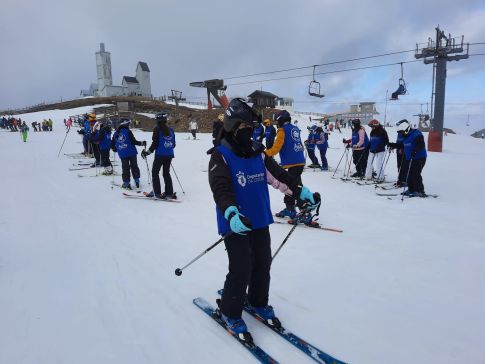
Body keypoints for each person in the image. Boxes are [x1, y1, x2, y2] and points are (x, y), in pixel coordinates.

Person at [208, 98, 319, 335]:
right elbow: (220, 189)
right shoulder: (221, 155)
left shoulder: (257, 153)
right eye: (245, 128)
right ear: (232, 126)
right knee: (241, 267)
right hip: (235, 222)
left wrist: (300, 191)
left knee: (262, 263)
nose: (249, 133)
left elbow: (279, 176)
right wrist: (231, 212)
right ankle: (229, 310)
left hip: (259, 219)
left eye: (252, 129)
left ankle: (257, 301)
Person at [265, 110, 306, 218]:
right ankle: (303, 205)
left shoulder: (282, 130)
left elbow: (276, 148)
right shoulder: (295, 128)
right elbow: (300, 145)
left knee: (289, 185)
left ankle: (292, 208)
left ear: (281, 120)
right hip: (300, 161)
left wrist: (264, 153)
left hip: (292, 162)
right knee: (296, 184)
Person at [141, 112, 177, 199]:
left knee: (155, 173)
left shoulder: (157, 129)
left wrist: (147, 152)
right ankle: (169, 192)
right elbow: (173, 144)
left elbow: (155, 144)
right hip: (169, 155)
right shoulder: (171, 130)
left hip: (160, 155)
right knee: (166, 173)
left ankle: (157, 192)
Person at [388, 120, 427, 196]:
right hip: (410, 157)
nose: (401, 134)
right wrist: (393, 145)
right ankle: (411, 189)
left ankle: (420, 191)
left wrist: (415, 151)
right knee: (409, 174)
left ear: (407, 129)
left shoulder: (417, 134)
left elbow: (421, 144)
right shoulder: (405, 136)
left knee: (415, 174)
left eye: (402, 132)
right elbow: (402, 146)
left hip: (419, 157)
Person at [111, 119, 146, 189]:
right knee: (134, 166)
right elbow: (133, 141)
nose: (129, 125)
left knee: (125, 168)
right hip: (132, 152)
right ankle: (137, 181)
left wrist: (115, 149)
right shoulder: (128, 131)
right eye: (128, 124)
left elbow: (112, 145)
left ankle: (126, 183)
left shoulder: (115, 133)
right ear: (126, 124)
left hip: (123, 154)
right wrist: (141, 143)